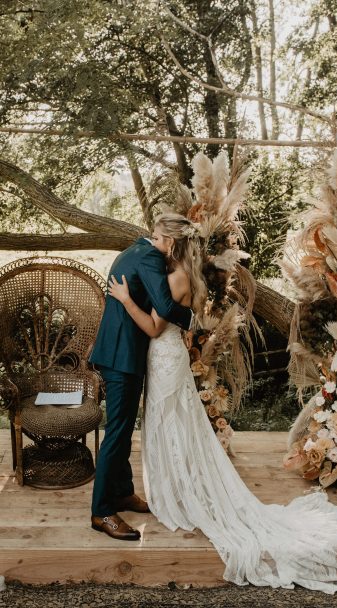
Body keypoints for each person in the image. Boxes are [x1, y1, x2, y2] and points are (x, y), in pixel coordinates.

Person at [108, 212, 337, 593]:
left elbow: (153, 327)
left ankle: (178, 492)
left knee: (167, 424)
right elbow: (185, 319)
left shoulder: (172, 277)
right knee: (176, 423)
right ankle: (177, 487)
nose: (155, 246)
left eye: (161, 240)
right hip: (170, 358)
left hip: (163, 358)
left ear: (173, 244)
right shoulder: (190, 278)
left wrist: (127, 300)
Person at [89, 219, 193, 540]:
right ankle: (102, 511)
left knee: (122, 429)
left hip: (120, 353)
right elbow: (163, 305)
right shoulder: (150, 258)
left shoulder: (133, 250)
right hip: (122, 356)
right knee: (118, 433)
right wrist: (192, 319)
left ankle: (122, 492)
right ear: (172, 243)